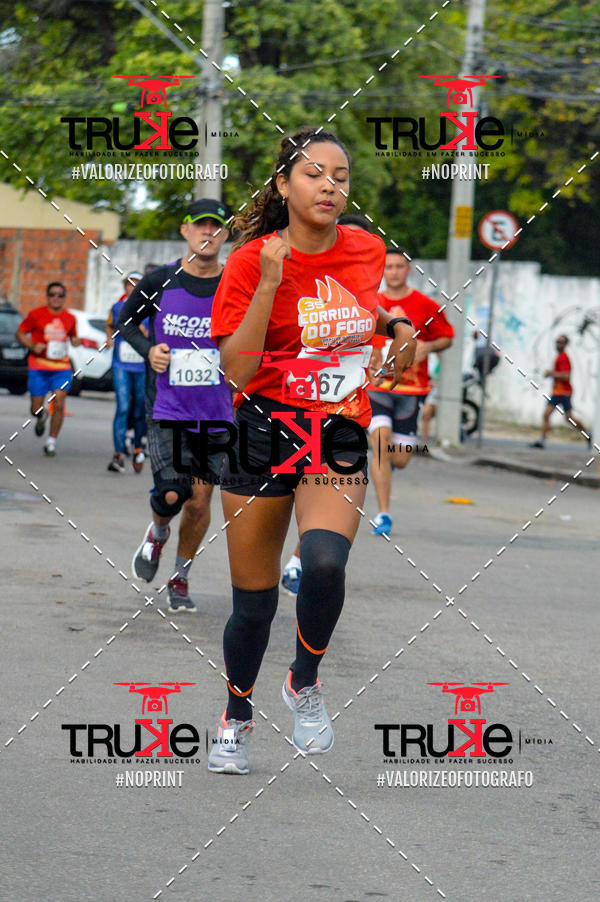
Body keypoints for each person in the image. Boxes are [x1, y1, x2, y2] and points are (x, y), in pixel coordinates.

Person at [206, 127, 416, 775]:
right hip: (260, 429)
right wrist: (269, 284)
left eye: (342, 176)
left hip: (337, 427)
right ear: (283, 185)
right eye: (315, 174)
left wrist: (401, 327)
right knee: (255, 606)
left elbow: (364, 308)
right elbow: (235, 372)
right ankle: (236, 717)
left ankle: (304, 679)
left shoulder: (365, 247)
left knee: (324, 564)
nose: (331, 185)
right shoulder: (250, 261)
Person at [118, 198, 233, 612]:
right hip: (167, 407)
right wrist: (149, 350)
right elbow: (125, 323)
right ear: (185, 231)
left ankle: (179, 577)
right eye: (200, 226)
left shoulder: (234, 284)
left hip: (217, 411)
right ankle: (157, 533)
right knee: (171, 494)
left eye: (217, 227)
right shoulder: (160, 281)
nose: (208, 233)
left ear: (225, 236)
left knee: (200, 502)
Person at [280, 211, 374, 596]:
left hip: (342, 422)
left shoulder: (369, 297)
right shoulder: (294, 273)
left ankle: (300, 559)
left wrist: (400, 334)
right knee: (254, 592)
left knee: (325, 552)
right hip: (277, 419)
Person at [368, 248, 454, 536]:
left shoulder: (425, 305)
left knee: (400, 458)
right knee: (380, 445)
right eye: (388, 266)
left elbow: (447, 337)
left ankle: (386, 472)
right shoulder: (370, 302)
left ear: (408, 270)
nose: (393, 271)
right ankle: (383, 514)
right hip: (377, 387)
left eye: (399, 266)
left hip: (412, 389)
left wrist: (428, 346)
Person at [15, 282, 81, 457]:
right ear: (47, 296)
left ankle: (51, 442)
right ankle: (41, 416)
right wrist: (31, 345)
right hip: (38, 365)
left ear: (64, 298)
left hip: (61, 367)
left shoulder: (70, 318)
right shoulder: (36, 314)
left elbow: (74, 337)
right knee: (35, 408)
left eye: (60, 295)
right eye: (52, 294)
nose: (56, 298)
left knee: (59, 402)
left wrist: (76, 341)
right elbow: (20, 333)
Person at [105, 272, 147, 473]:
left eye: (137, 284)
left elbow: (154, 333)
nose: (133, 287)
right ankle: (118, 454)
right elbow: (109, 325)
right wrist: (109, 338)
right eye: (130, 284)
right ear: (125, 287)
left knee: (139, 407)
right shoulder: (117, 307)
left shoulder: (150, 307)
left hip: (141, 365)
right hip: (121, 363)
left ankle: (138, 445)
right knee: (122, 407)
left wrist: (140, 329)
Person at [531, 334, 590, 447]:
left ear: (565, 344)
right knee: (546, 414)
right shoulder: (559, 357)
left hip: (564, 393)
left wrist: (551, 373)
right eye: (557, 341)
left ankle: (587, 433)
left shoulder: (564, 358)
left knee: (568, 418)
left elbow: (566, 376)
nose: (558, 344)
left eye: (561, 342)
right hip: (557, 392)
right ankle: (542, 440)